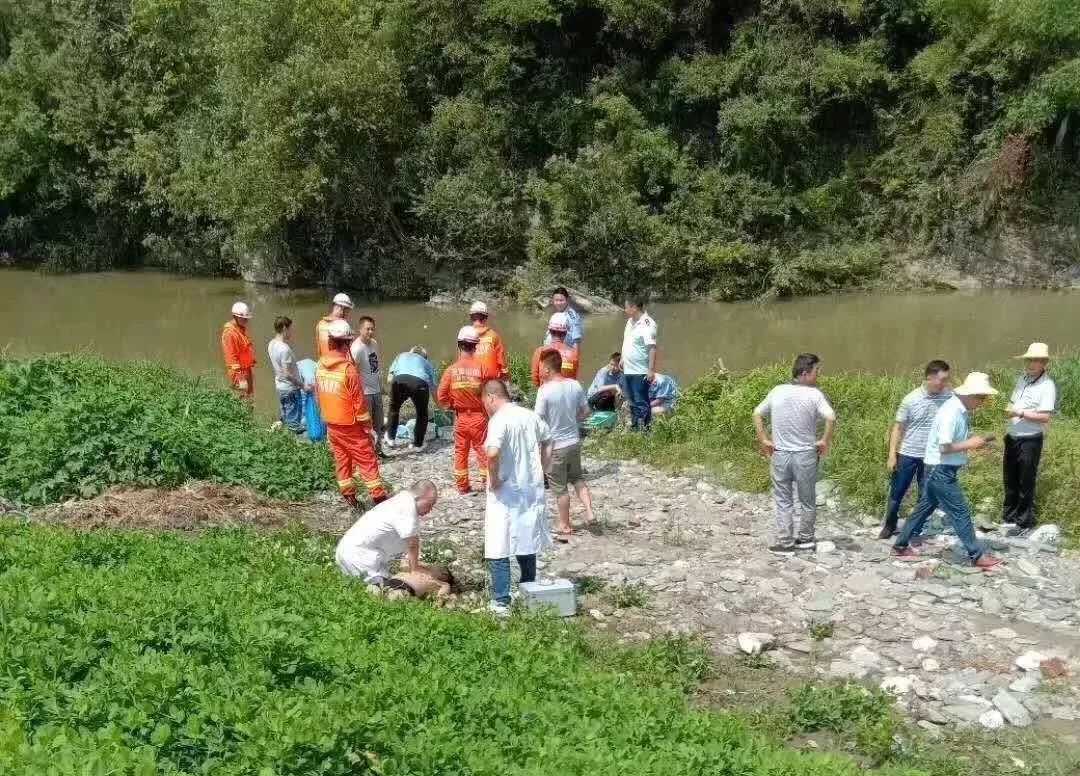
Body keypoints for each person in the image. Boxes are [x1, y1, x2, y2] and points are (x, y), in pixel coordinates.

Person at [892, 373, 1003, 569]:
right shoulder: (952, 412)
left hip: (939, 468)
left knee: (924, 508)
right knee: (960, 511)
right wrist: (971, 443)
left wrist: (974, 443)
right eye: (981, 398)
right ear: (971, 395)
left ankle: (900, 546)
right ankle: (977, 555)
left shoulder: (958, 409)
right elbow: (944, 446)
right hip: (940, 469)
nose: (983, 402)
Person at [753, 354, 837, 555]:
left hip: (780, 454)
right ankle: (806, 539)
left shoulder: (777, 391)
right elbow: (831, 417)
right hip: (805, 455)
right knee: (807, 499)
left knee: (784, 500)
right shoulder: (815, 395)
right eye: (817, 371)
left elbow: (757, 413)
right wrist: (825, 440)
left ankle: (785, 543)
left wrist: (764, 439)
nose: (819, 376)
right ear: (805, 373)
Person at [482, 380, 553, 617]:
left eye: (485, 402)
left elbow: (492, 453)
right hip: (530, 489)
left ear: (491, 397)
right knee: (527, 539)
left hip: (506, 491)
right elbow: (548, 441)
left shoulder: (499, 420)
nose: (486, 407)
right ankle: (529, 591)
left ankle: (501, 600)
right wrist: (543, 468)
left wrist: (493, 479)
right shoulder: (530, 416)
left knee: (498, 543)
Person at [315, 319, 388, 508]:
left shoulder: (320, 367)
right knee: (368, 462)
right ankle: (380, 501)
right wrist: (368, 429)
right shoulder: (348, 371)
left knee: (343, 462)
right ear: (347, 343)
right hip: (351, 427)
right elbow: (359, 405)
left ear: (330, 341)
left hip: (332, 426)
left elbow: (318, 396)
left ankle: (350, 499)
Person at [879, 360, 953, 539]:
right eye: (942, 379)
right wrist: (892, 455)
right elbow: (898, 428)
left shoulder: (948, 397)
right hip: (908, 454)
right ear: (930, 378)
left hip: (931, 456)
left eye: (946, 379)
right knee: (897, 493)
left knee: (926, 494)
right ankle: (890, 524)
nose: (944, 383)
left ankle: (915, 527)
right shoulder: (911, 399)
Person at [535, 350, 595, 540]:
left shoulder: (544, 390)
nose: (539, 370)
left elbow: (538, 420)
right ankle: (589, 511)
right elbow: (586, 411)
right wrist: (573, 420)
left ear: (547, 368)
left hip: (556, 446)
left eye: (540, 367)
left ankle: (565, 524)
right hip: (574, 442)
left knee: (560, 488)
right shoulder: (575, 385)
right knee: (577, 478)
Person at [335, 480, 437, 584]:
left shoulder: (402, 500)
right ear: (417, 497)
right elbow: (413, 543)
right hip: (358, 557)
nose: (430, 509)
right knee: (381, 592)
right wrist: (415, 568)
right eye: (429, 504)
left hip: (353, 552)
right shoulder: (407, 508)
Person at [1002, 343, 1057, 536]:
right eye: (1029, 360)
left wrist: (1020, 412)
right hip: (1012, 436)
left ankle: (1024, 522)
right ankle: (1009, 518)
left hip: (1030, 439)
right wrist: (1008, 410)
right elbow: (1012, 402)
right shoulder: (1022, 379)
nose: (1031, 364)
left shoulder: (1047, 385)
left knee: (1026, 480)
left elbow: (1045, 417)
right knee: (1010, 478)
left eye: (1036, 361)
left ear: (1044, 363)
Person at [437, 326, 498, 494]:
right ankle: (487, 482)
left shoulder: (451, 370)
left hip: (461, 417)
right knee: (482, 450)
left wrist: (451, 405)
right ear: (475, 346)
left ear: (459, 345)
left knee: (460, 452)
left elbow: (441, 395)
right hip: (479, 417)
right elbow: (492, 393)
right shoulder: (482, 369)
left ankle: (463, 486)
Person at [387, 346, 438, 451]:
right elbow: (433, 388)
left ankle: (390, 439)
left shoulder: (400, 356)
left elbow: (389, 379)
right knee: (422, 413)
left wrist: (393, 395)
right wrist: (440, 405)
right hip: (419, 383)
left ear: (410, 352)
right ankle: (418, 445)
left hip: (399, 380)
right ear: (425, 357)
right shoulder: (427, 363)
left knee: (394, 408)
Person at [620, 295, 658, 431]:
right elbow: (627, 342)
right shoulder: (630, 322)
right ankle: (636, 428)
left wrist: (651, 370)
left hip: (640, 370)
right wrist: (622, 358)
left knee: (641, 401)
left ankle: (646, 430)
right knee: (631, 401)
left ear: (634, 307)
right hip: (627, 369)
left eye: (626, 307)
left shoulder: (648, 324)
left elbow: (652, 348)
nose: (624, 310)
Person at [350, 316, 385, 455]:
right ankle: (367, 454)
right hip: (365, 392)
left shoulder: (374, 343)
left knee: (379, 423)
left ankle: (378, 450)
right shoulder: (356, 348)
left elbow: (376, 366)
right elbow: (353, 373)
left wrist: (381, 385)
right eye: (367, 329)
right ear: (360, 329)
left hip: (376, 389)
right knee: (367, 425)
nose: (370, 332)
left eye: (372, 329)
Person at [268, 315, 305, 432]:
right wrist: (302, 385)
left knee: (285, 415)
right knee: (294, 423)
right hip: (290, 390)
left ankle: (279, 434)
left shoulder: (271, 344)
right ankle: (294, 444)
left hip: (280, 387)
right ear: (284, 328)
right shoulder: (284, 349)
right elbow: (287, 373)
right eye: (290, 329)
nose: (291, 333)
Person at [530, 312, 580, 387]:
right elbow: (575, 379)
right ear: (566, 333)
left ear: (549, 331)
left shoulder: (539, 352)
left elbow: (535, 379)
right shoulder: (573, 353)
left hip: (545, 395)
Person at [221, 301, 256, 400]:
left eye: (247, 318)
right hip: (239, 373)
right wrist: (239, 378)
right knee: (242, 401)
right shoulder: (229, 333)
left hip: (246, 370)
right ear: (236, 317)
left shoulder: (240, 329)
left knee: (249, 400)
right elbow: (231, 358)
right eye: (244, 319)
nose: (246, 321)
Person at [469, 301, 509, 381]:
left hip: (472, 380)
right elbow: (502, 362)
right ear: (486, 318)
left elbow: (461, 360)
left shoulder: (466, 336)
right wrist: (505, 378)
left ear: (471, 318)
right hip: (491, 380)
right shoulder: (494, 336)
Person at [315, 292, 353, 359]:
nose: (348, 314)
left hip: (323, 365)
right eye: (348, 311)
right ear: (342, 310)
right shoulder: (343, 328)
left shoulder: (320, 324)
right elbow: (346, 353)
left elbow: (319, 351)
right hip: (339, 367)